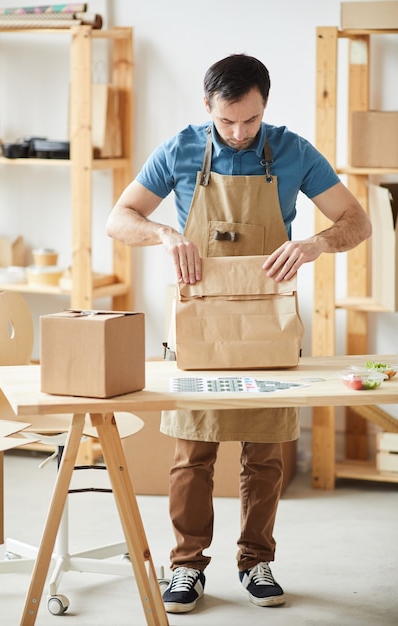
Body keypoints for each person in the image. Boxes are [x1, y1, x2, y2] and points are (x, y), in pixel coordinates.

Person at [106, 54, 371, 614]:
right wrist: (161, 234)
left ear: (264, 107)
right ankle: (185, 568)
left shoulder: (293, 150)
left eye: (250, 121)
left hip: (269, 326)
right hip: (201, 324)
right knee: (192, 453)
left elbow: (357, 220)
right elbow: (119, 217)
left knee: (266, 454)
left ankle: (256, 561)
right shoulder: (179, 149)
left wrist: (316, 244)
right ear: (208, 107)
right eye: (227, 121)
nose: (239, 132)